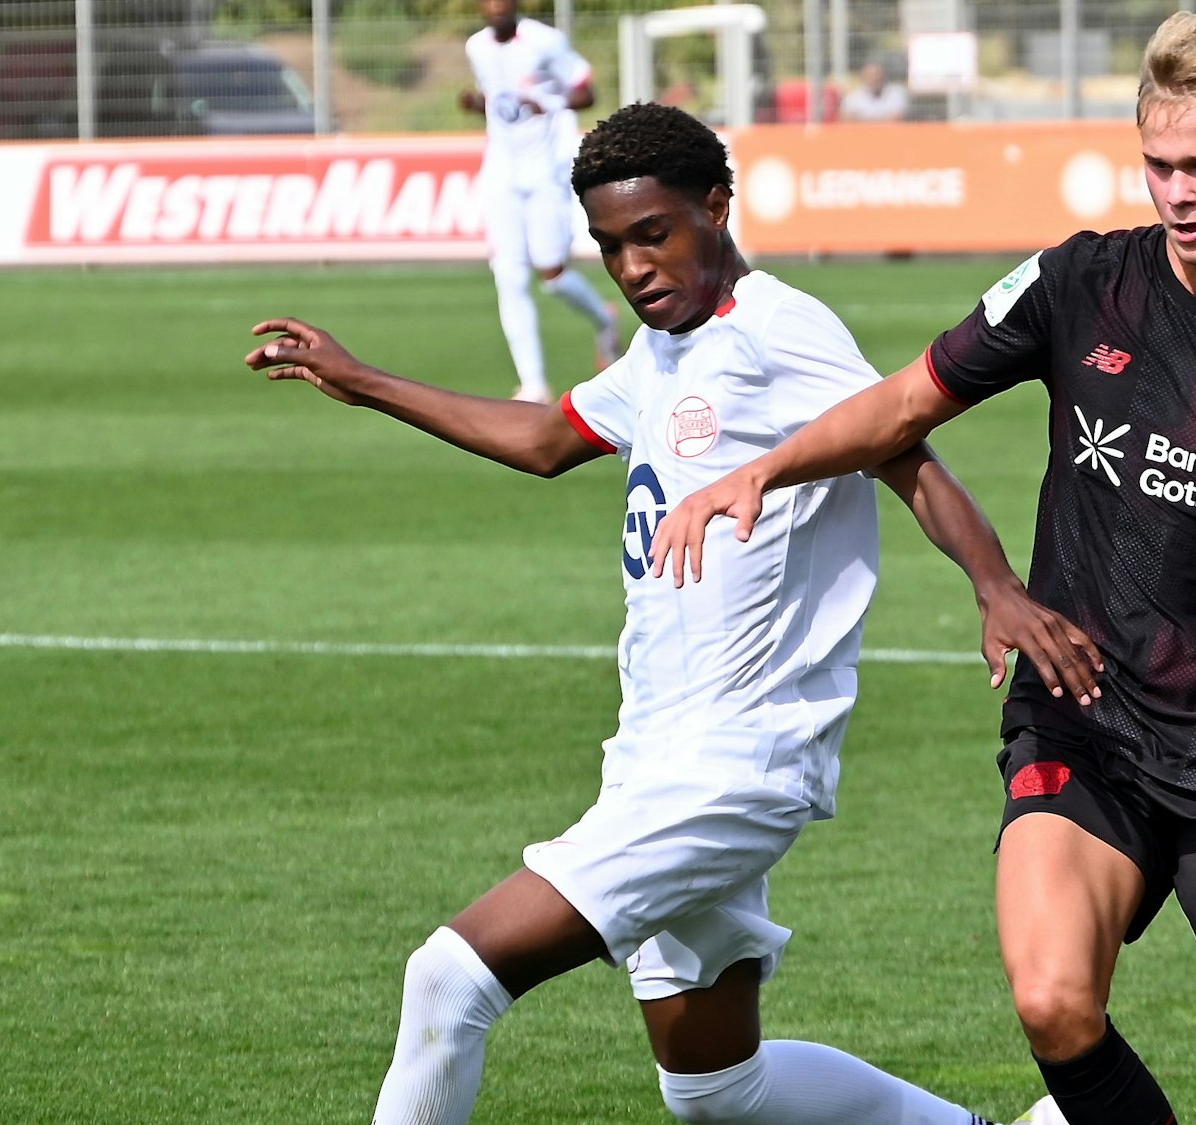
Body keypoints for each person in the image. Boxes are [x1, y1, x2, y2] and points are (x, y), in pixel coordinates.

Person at [649, 9, 1196, 1124]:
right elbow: (906, 400)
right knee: (1053, 1002)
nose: (1176, 192)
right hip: (1085, 724)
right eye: (1157, 163)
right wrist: (765, 472)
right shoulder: (1080, 283)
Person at [245, 102, 1095, 1125]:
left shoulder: (778, 329)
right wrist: (363, 379)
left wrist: (995, 585)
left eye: (653, 234)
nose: (634, 266)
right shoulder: (660, 354)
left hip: (734, 763)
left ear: (716, 207)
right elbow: (549, 438)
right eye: (610, 247)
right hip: (652, 754)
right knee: (716, 1092)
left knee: (448, 979)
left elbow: (902, 446)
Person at [461, 0, 619, 404]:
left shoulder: (545, 42)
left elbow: (586, 92)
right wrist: (476, 105)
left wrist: (548, 103)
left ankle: (604, 320)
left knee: (552, 274)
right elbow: (499, 103)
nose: (496, 6)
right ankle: (533, 385)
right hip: (501, 173)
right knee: (509, 276)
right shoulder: (476, 47)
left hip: (546, 172)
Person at [839, 61, 909, 122]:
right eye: (870, 75)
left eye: (877, 74)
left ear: (884, 75)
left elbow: (896, 118)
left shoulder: (896, 93)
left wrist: (860, 119)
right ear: (864, 76)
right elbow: (846, 117)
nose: (875, 78)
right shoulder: (854, 97)